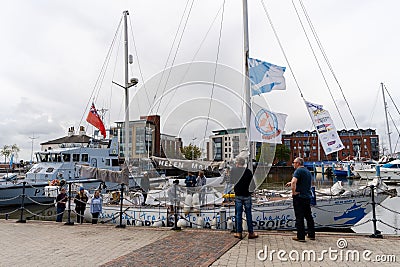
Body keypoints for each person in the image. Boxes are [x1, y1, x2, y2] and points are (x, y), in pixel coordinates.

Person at [285, 157, 315, 242]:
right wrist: (290, 183)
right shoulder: (307, 171)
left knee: (299, 217)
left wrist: (294, 192)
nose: (293, 164)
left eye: (294, 162)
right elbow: (303, 181)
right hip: (307, 197)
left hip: (299, 197)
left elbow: (294, 181)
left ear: (298, 163)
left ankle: (300, 236)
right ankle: (311, 234)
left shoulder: (298, 171)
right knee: (309, 216)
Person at [231, 157, 258, 239]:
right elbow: (253, 184)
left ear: (237, 163)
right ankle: (251, 233)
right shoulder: (248, 171)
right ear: (243, 163)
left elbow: (231, 181)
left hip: (238, 195)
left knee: (238, 214)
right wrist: (251, 192)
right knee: (248, 214)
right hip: (247, 195)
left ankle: (239, 233)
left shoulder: (234, 171)